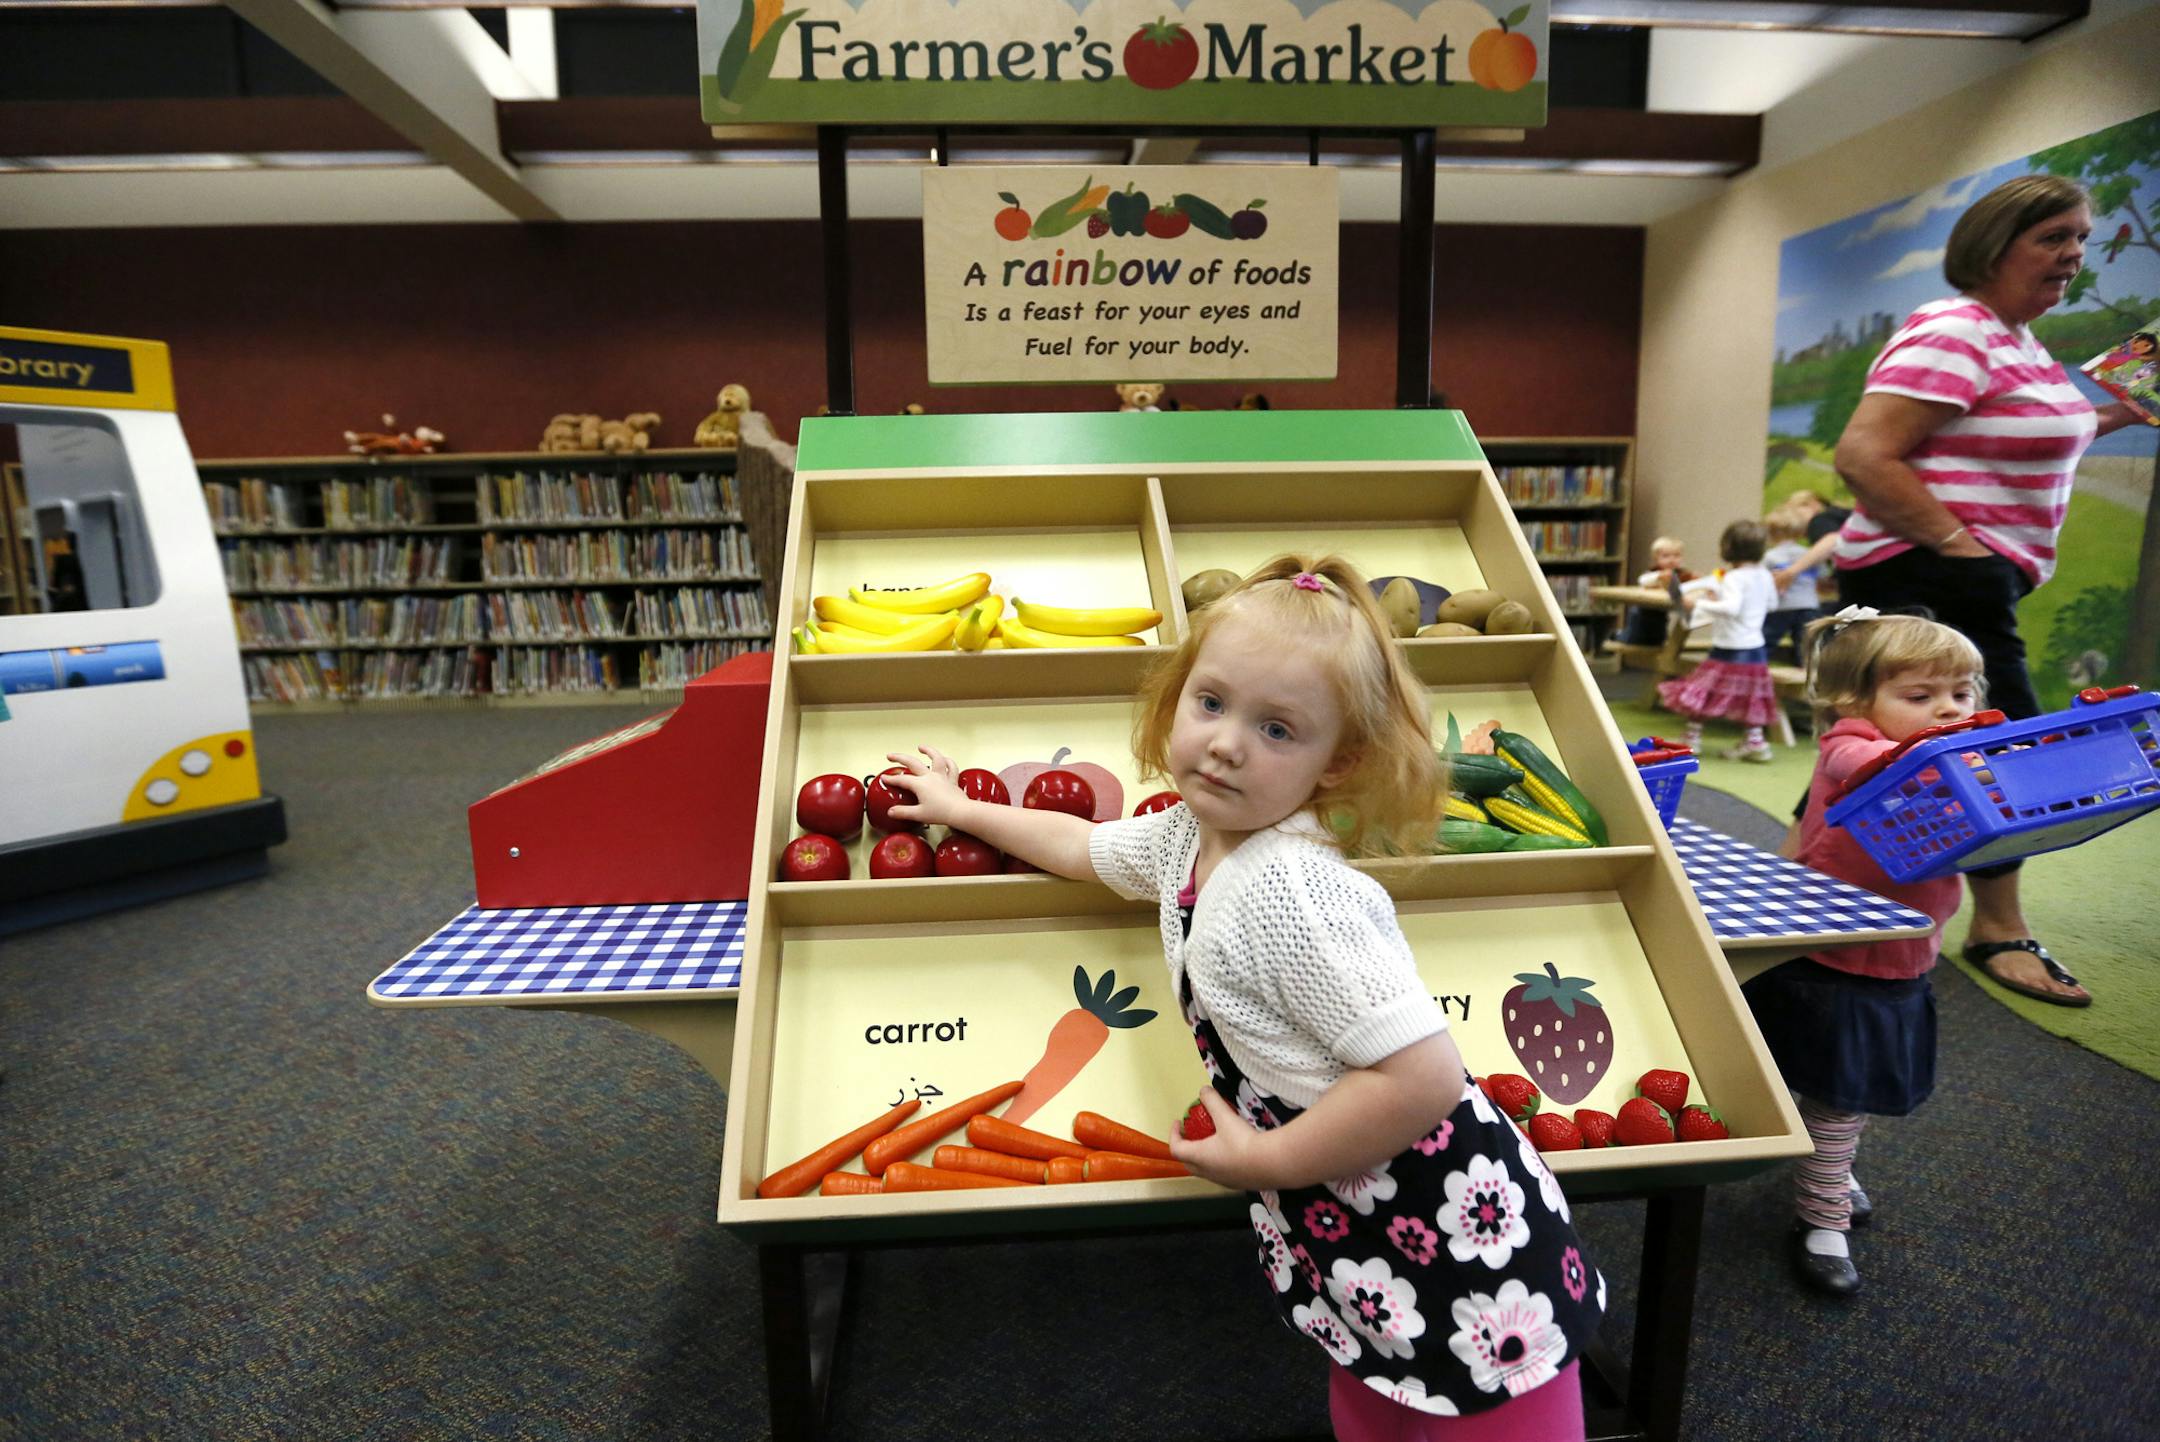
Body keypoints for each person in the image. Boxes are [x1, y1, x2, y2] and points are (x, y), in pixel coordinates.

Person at [883, 555, 1605, 1439]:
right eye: (1212, 704)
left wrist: (1266, 1164)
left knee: (1486, 1397)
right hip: (1354, 1205)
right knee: (1377, 1377)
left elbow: (1422, 1080)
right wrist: (966, 808)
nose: (1225, 743)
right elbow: (1083, 847)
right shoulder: (1189, 835)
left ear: (1338, 765)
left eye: (1276, 729)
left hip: (1448, 1219)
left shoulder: (1293, 893)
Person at [1825, 172, 2148, 1007]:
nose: (2075, 253)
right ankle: (1999, 927)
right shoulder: (1956, 331)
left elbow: (2018, 428)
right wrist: (1962, 548)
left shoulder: (2021, 342)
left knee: (1883, 741)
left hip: (1964, 570)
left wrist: (2116, 413)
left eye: (2080, 236)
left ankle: (1812, 879)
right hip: (1924, 569)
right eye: (2053, 238)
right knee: (2001, 746)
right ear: (1993, 247)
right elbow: (1864, 454)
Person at [1743, 608, 1985, 1297]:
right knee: (1835, 1095)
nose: (1947, 709)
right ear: (1856, 703)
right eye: (1920, 697)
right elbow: (1859, 766)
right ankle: (1821, 1220)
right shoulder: (1850, 745)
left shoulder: (1950, 760)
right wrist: (1946, 750)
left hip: (1903, 954)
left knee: (1844, 1090)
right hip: (1833, 957)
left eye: (1961, 695)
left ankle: (1828, 1162)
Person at [1655, 519, 1782, 761]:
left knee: (1702, 691)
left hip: (1731, 647)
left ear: (1729, 547)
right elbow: (1772, 604)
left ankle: (1691, 738)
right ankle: (1755, 742)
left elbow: (1731, 608)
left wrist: (1698, 603)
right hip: (1755, 647)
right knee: (1750, 696)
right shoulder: (1764, 575)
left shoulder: (1733, 577)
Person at [1760, 505, 1821, 667]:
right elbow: (1823, 575)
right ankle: (1809, 676)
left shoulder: (1769, 556)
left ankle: (1756, 669)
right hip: (1809, 605)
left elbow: (1762, 580)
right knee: (1807, 646)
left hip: (1781, 607)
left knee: (1765, 642)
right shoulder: (1808, 554)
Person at [1618, 536, 1693, 648]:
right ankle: (1617, 635)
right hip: (1641, 616)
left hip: (1660, 617)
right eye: (1666, 556)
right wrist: (1659, 577)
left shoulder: (1682, 574)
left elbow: (1691, 583)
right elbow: (1643, 580)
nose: (1672, 560)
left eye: (1676, 555)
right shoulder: (1654, 573)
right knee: (1632, 638)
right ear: (1656, 559)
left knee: (1658, 640)